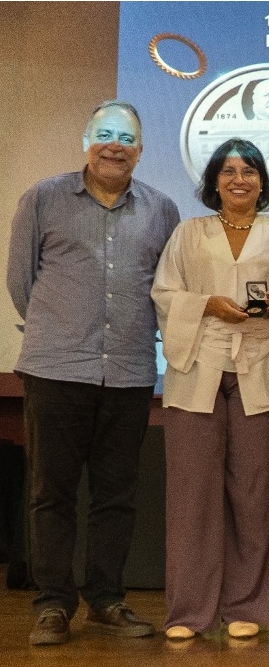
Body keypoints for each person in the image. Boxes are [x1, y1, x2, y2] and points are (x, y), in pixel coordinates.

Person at [6, 100, 180, 646]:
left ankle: (106, 600)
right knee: (51, 493)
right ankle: (53, 604)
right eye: (104, 134)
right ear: (87, 140)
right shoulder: (43, 198)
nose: (114, 145)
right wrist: (61, 330)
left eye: (126, 137)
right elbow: (20, 282)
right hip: (56, 369)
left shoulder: (162, 210)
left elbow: (167, 288)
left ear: (140, 149)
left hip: (129, 372)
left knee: (115, 496)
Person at [151, 138, 269, 640]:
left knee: (256, 496)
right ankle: (190, 613)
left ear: (263, 182)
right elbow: (164, 294)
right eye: (229, 171)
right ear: (213, 181)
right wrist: (208, 305)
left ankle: (248, 607)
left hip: (263, 370)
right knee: (192, 496)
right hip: (199, 369)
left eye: (250, 171)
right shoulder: (188, 233)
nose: (240, 179)